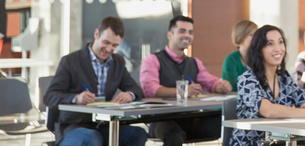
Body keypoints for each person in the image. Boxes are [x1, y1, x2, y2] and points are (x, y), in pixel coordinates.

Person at [44, 16, 148, 146]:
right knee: (93, 138)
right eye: (106, 42)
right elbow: (50, 97)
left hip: (103, 124)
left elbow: (136, 89)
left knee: (138, 134)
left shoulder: (117, 63)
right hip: (74, 126)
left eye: (115, 45)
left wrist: (129, 94)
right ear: (96, 34)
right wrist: (76, 98)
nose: (109, 49)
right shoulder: (70, 61)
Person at [231, 24, 305, 146]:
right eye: (270, 44)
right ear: (258, 49)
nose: (278, 48)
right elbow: (268, 111)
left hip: (281, 141)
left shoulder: (284, 78)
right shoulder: (247, 79)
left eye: (281, 42)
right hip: (251, 143)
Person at [140, 15, 232, 146]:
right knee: (174, 135)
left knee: (228, 123)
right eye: (182, 31)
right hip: (162, 120)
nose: (187, 35)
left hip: (190, 119)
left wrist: (220, 85)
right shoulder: (153, 59)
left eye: (191, 32)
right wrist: (183, 91)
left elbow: (210, 82)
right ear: (170, 35)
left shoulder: (194, 62)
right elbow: (149, 89)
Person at [222, 19, 258, 90]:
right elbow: (233, 85)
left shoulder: (259, 58)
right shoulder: (231, 59)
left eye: (256, 35)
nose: (255, 38)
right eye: (251, 35)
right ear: (241, 36)